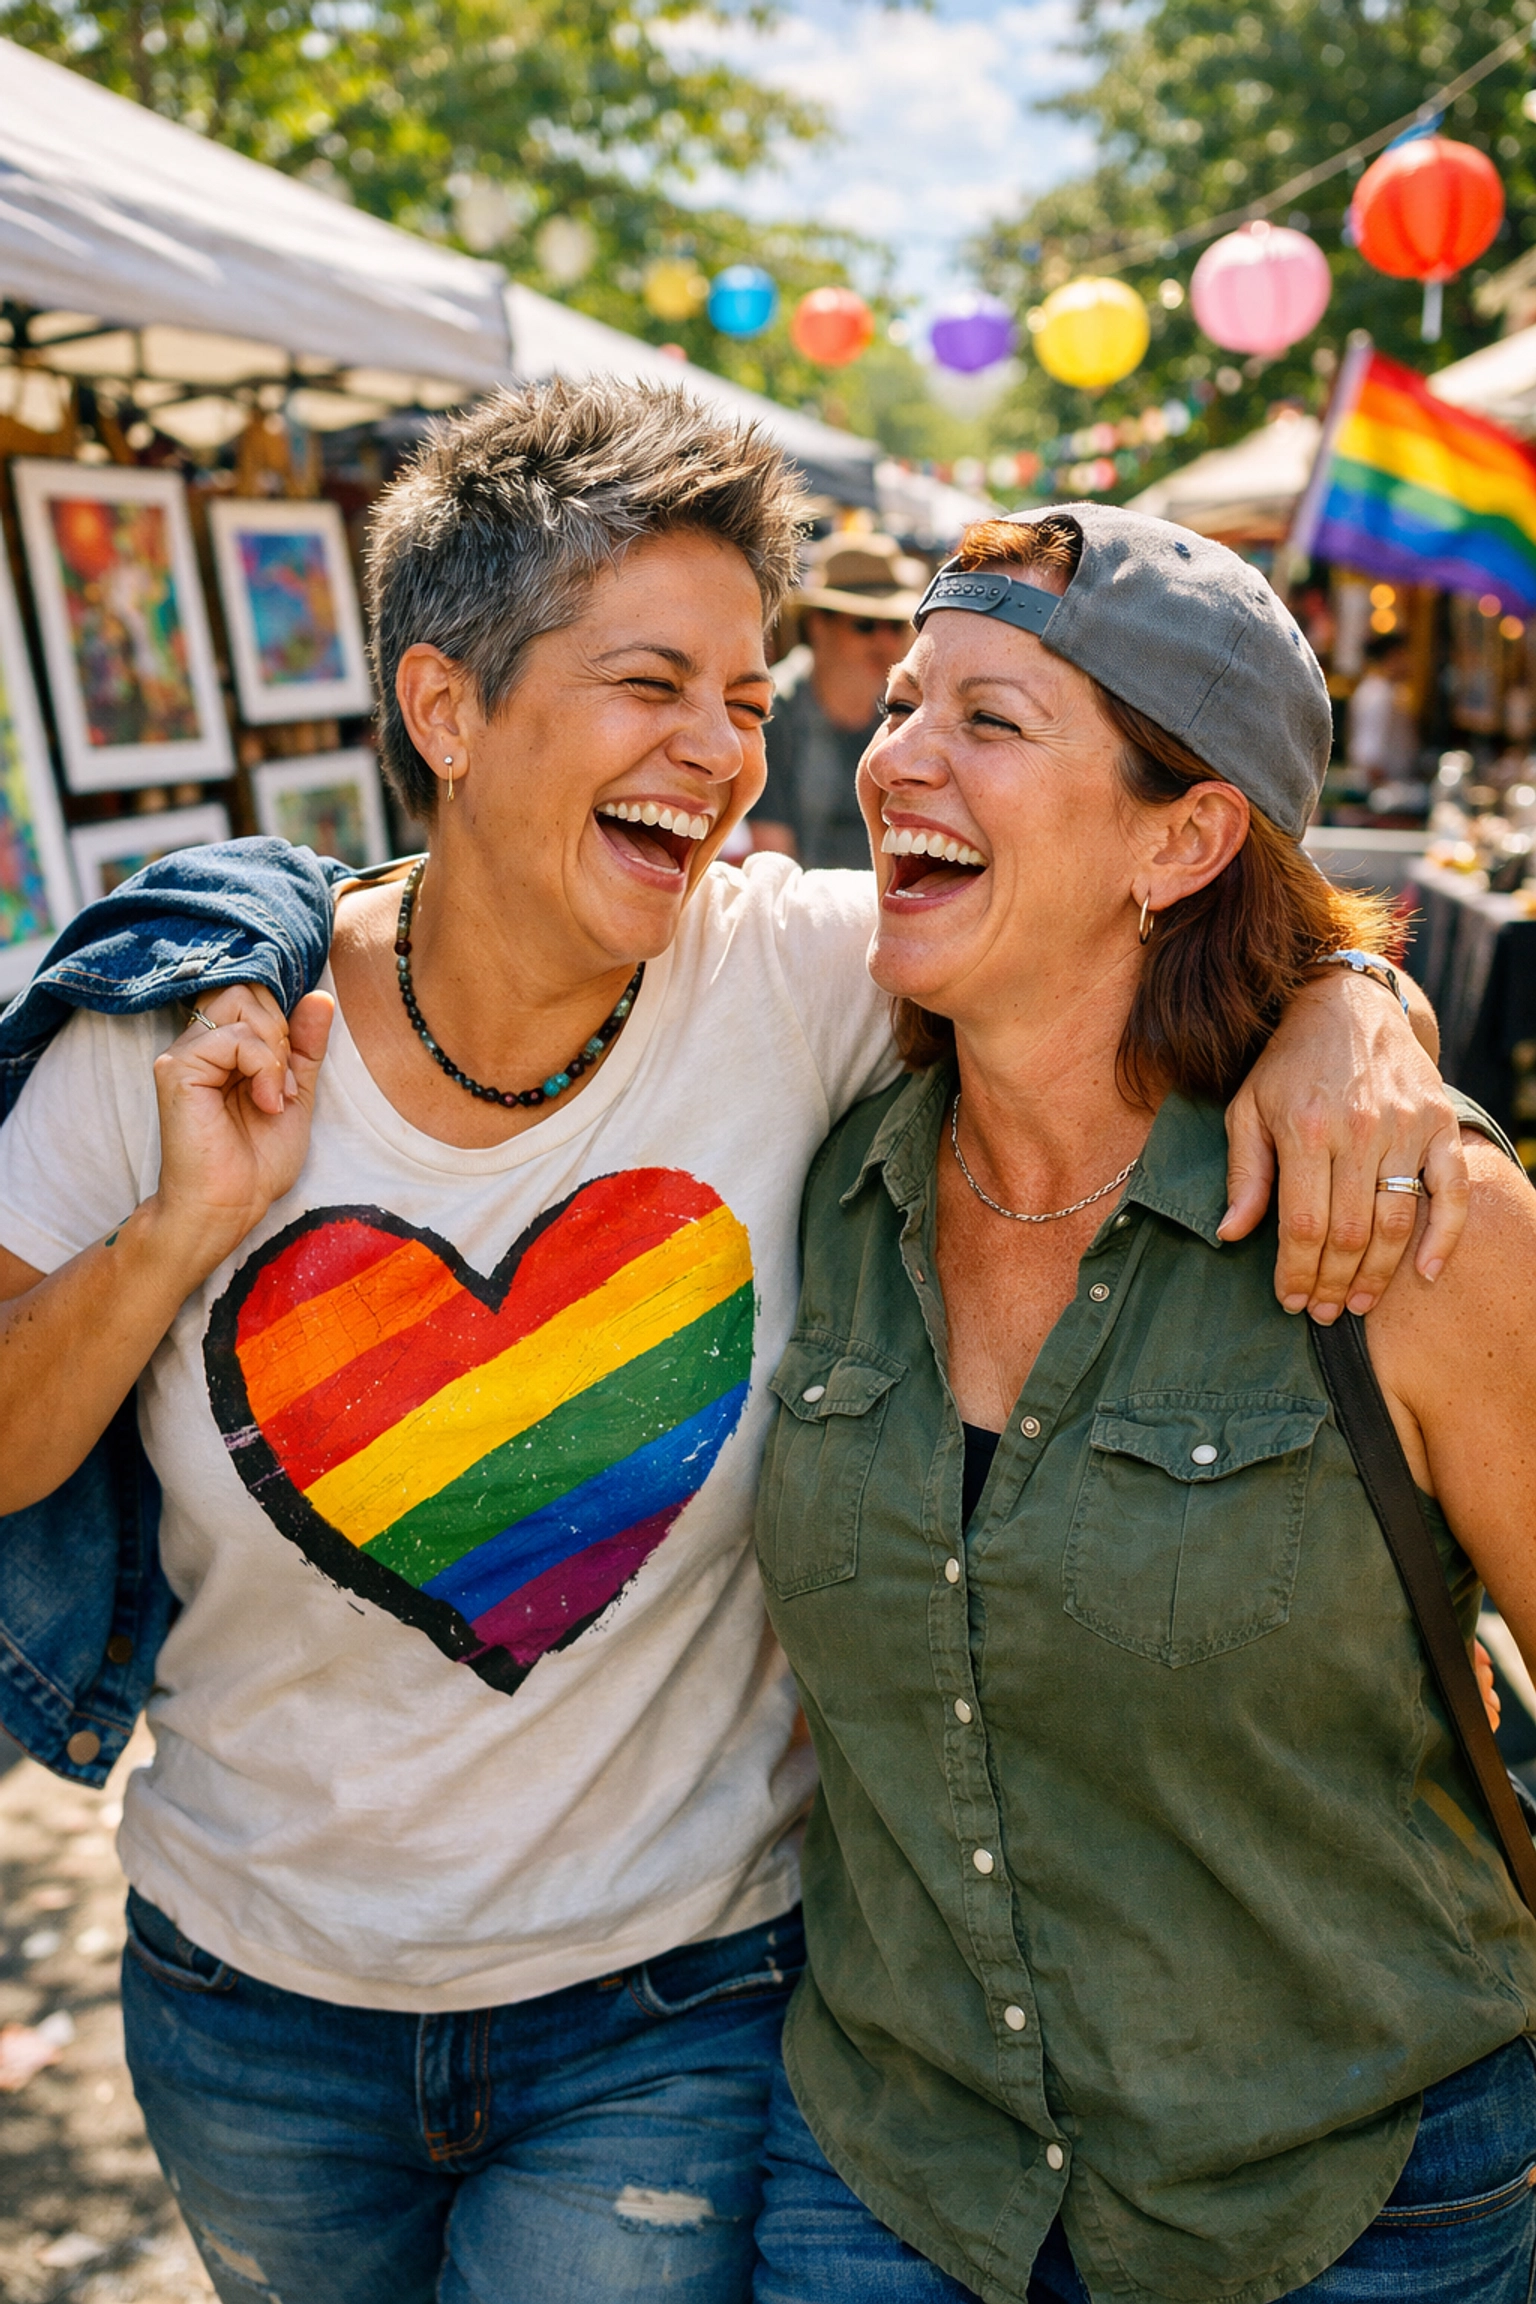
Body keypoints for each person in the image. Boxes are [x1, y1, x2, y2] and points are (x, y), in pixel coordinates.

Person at [0, 379, 1466, 2304]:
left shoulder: (793, 974)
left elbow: (1116, 924)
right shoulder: (174, 1040)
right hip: (253, 1997)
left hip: (668, 1999)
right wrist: (184, 1223)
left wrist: (1355, 995)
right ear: (445, 709)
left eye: (749, 696)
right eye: (650, 685)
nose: (727, 753)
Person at [749, 507, 1536, 2304]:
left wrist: (1352, 982)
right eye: (904, 702)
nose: (894, 757)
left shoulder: (1419, 1227)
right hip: (891, 2170)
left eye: (991, 721)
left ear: (1180, 836)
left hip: (1349, 2197)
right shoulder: (823, 1163)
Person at [750, 534, 924, 867]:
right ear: (817, 625)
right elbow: (772, 858)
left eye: (894, 625)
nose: (885, 641)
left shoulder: (912, 715)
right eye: (865, 625)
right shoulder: (774, 714)